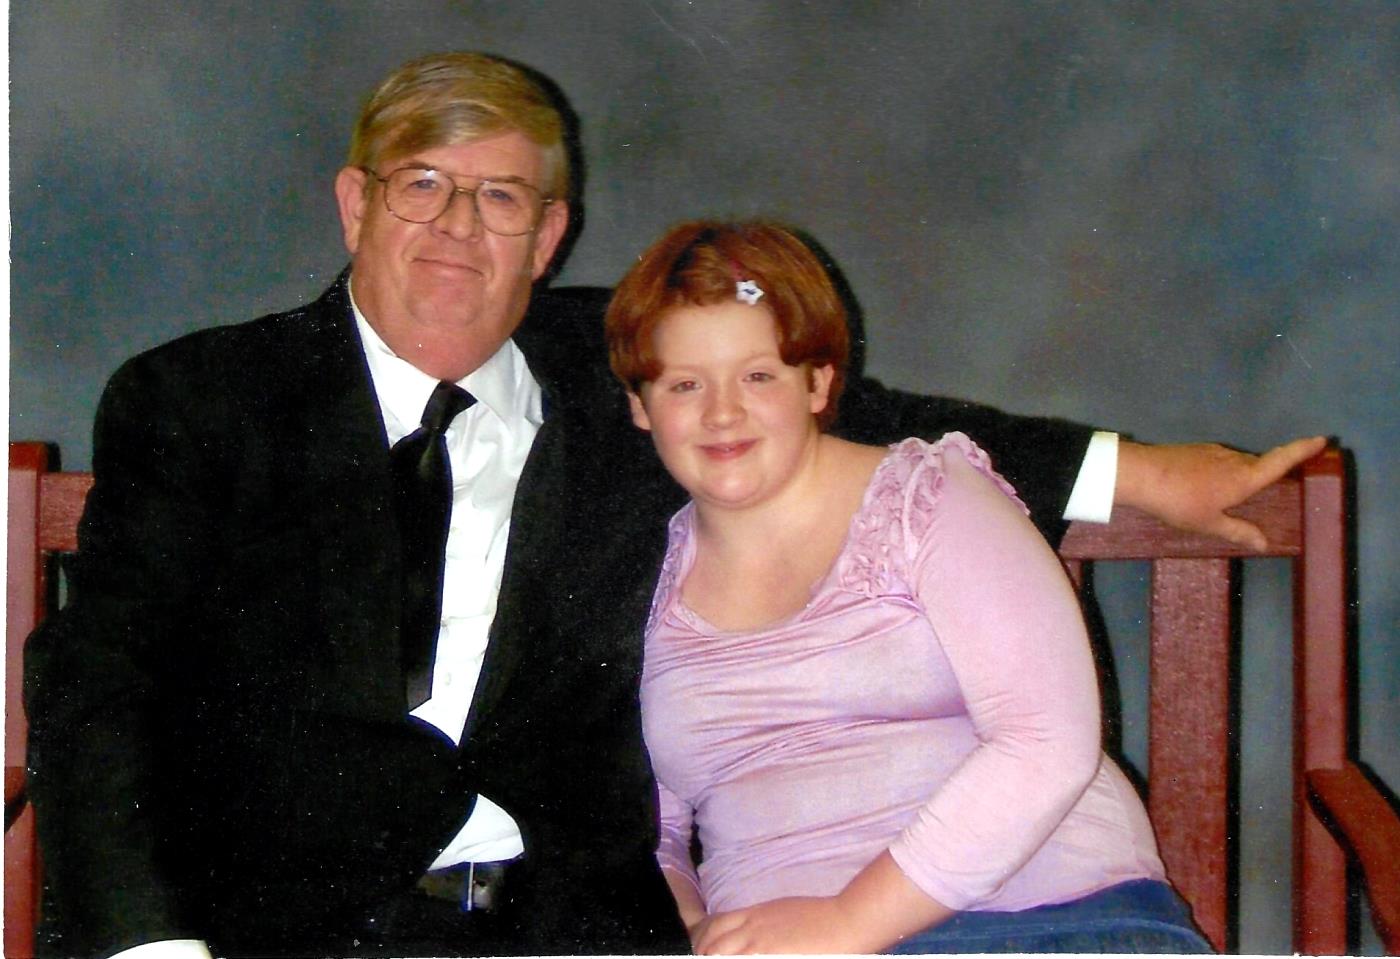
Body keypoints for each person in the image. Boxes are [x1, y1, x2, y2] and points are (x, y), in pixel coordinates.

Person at [22, 51, 1316, 958]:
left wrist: (1138, 472)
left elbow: (845, 402)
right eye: (421, 184)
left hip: (579, 927)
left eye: (499, 196)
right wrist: (150, 944)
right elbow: (100, 688)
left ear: (549, 235)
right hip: (277, 924)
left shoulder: (628, 377)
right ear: (356, 203)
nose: (457, 227)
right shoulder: (204, 398)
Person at [604, 220, 1216, 954]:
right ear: (640, 405)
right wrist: (696, 932)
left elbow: (1046, 742)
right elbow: (649, 829)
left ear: (817, 382)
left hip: (1045, 918)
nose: (722, 412)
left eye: (758, 375)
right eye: (684, 384)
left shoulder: (925, 499)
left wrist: (845, 923)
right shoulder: (641, 578)